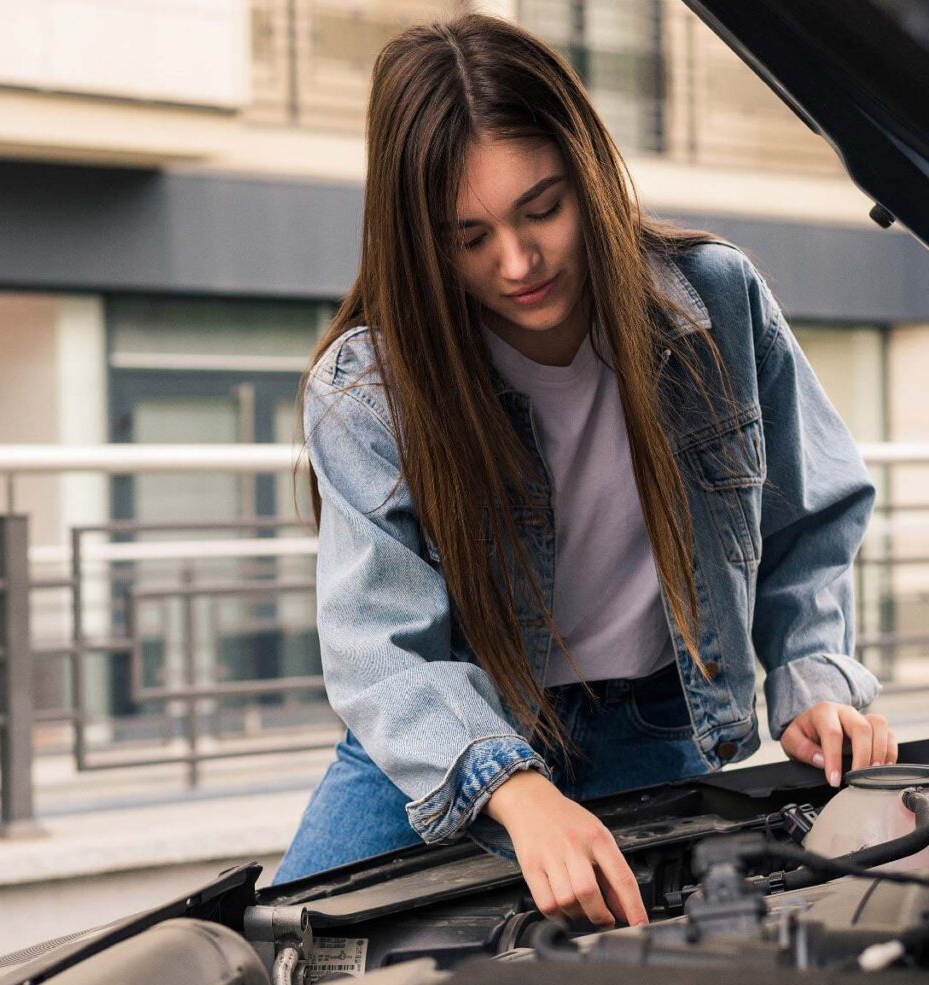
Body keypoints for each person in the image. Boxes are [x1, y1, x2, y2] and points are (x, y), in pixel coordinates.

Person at [269, 12, 897, 928]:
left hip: (657, 727)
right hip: (452, 740)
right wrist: (517, 792)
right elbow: (383, 649)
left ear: (590, 173)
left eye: (542, 208)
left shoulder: (717, 303)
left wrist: (811, 676)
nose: (517, 262)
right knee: (289, 962)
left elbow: (806, 518)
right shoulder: (369, 390)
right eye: (468, 235)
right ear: (418, 239)